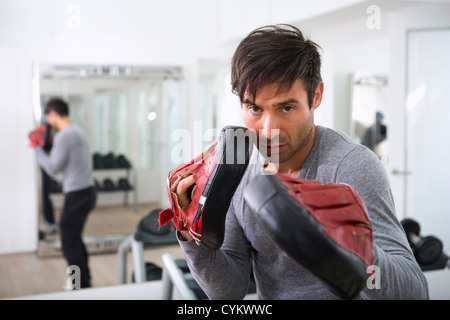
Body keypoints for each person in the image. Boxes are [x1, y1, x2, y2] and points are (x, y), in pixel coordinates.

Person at [174, 24, 429, 299]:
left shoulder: (352, 166)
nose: (269, 128)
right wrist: (189, 232)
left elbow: (414, 292)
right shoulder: (239, 165)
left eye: (286, 107)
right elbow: (229, 291)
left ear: (316, 96)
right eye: (255, 108)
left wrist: (354, 250)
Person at [30, 98, 97, 289]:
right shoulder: (76, 131)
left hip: (77, 194)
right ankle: (85, 280)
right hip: (86, 191)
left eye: (47, 116)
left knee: (68, 242)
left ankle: (78, 285)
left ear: (52, 114)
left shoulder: (65, 136)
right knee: (74, 237)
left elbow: (52, 168)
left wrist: (36, 148)